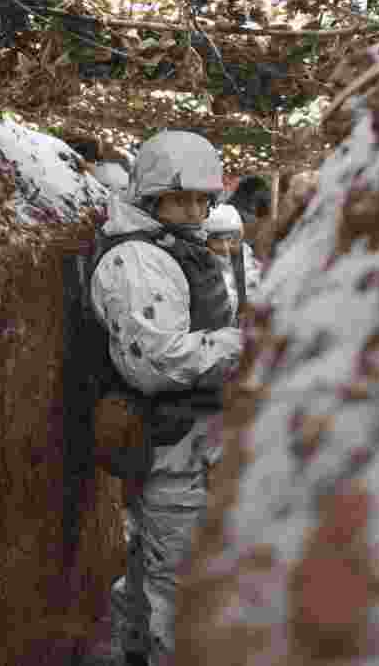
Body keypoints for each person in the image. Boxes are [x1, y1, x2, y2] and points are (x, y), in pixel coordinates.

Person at [89, 130, 242, 666]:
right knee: (179, 588)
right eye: (181, 198)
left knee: (153, 573)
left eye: (203, 199)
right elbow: (156, 362)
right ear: (152, 199)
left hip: (189, 442)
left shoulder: (176, 249)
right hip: (169, 448)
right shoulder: (137, 259)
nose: (194, 209)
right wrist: (244, 345)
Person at [203, 203, 263, 321]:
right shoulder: (195, 269)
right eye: (217, 239)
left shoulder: (252, 267)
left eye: (230, 238)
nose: (225, 247)